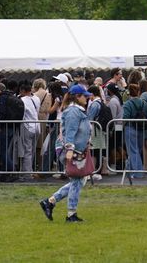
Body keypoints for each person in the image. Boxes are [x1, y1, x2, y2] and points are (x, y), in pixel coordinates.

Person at [39, 85, 92, 222]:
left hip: (75, 150)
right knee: (77, 181)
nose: (87, 97)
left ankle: (50, 202)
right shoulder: (74, 111)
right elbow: (70, 132)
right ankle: (70, 214)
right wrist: (69, 150)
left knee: (79, 181)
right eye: (84, 95)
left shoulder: (75, 110)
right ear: (77, 96)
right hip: (71, 150)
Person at [122, 84, 147, 179]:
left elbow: (125, 117)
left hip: (130, 127)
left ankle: (137, 173)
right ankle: (129, 169)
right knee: (138, 150)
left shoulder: (127, 104)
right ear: (138, 92)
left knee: (133, 150)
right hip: (141, 128)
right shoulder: (143, 103)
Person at [18, 81, 40, 175]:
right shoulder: (37, 99)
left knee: (27, 151)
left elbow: (22, 115)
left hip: (28, 126)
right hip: (37, 126)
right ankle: (29, 170)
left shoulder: (22, 100)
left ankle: (27, 173)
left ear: (22, 90)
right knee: (32, 150)